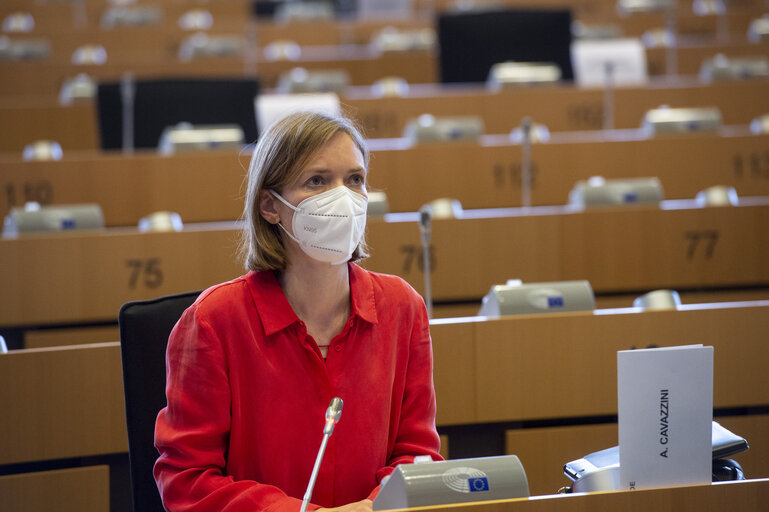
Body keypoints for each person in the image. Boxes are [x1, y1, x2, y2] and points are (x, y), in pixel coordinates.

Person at [154, 111, 443, 512]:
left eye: (354, 179)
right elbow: (187, 482)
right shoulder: (213, 322)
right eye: (317, 181)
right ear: (270, 206)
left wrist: (372, 509)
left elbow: (418, 455)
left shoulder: (402, 307)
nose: (343, 198)